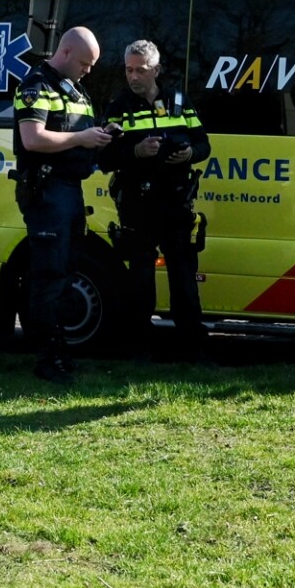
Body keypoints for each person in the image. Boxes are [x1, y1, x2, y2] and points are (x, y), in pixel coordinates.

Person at [10, 26, 114, 385]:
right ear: (66, 52)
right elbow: (33, 139)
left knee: (66, 272)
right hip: (47, 191)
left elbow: (78, 133)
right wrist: (82, 137)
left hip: (70, 190)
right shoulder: (36, 85)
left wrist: (100, 135)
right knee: (48, 276)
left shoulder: (76, 89)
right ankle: (46, 358)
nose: (88, 70)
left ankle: (59, 352)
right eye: (85, 63)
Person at [100, 40, 210, 361]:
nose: (133, 76)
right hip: (139, 206)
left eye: (140, 70)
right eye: (128, 69)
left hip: (176, 204)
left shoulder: (179, 102)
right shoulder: (118, 106)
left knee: (185, 282)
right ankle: (138, 350)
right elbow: (105, 159)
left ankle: (195, 350)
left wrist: (190, 153)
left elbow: (204, 144)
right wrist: (134, 151)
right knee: (140, 282)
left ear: (156, 70)